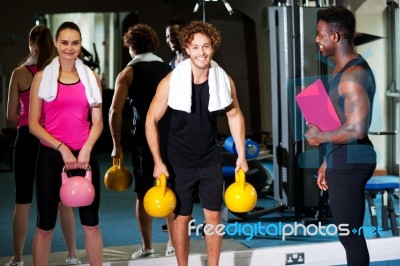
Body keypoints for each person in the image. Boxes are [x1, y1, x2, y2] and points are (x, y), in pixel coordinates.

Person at [146, 21, 249, 266]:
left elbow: (235, 115)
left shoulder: (223, 80)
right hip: (178, 160)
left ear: (213, 47)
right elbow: (151, 119)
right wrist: (158, 161)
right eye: (195, 47)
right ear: (187, 49)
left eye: (206, 46)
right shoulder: (171, 81)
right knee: (182, 218)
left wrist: (241, 156)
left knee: (213, 218)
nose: (201, 52)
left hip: (209, 157)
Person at [305, 6, 376, 266]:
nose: (317, 40)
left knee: (350, 235)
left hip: (352, 161)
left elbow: (357, 129)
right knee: (348, 233)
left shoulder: (353, 75)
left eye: (319, 34)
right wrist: (327, 160)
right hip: (342, 158)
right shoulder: (341, 70)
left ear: (334, 37)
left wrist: (321, 136)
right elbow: (343, 121)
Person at [29, 21, 103, 266]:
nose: (70, 48)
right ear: (55, 44)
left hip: (84, 156)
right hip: (51, 157)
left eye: (75, 43)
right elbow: (34, 125)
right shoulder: (41, 78)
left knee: (91, 225)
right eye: (64, 42)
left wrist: (86, 149)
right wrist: (62, 148)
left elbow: (98, 122)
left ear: (80, 45)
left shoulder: (91, 78)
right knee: (44, 227)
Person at [6, 24, 80, 266]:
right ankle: (72, 253)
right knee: (62, 200)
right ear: (55, 42)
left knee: (23, 200)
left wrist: (27, 119)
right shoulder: (56, 72)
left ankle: (17, 258)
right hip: (52, 138)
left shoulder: (20, 72)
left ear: (30, 43)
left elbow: (10, 115)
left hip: (28, 137)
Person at [108, 23, 174, 259]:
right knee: (170, 188)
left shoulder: (128, 72)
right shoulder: (168, 69)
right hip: (171, 137)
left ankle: (147, 247)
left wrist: (116, 146)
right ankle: (172, 244)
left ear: (130, 46)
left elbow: (115, 112)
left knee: (143, 192)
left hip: (145, 141)